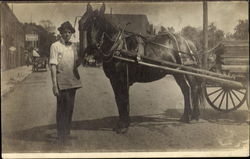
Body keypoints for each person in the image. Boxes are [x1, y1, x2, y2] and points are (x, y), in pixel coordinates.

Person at [49, 21, 82, 144]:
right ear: (61, 33)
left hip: (72, 81)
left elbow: (76, 64)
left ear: (71, 33)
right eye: (64, 32)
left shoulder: (73, 47)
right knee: (62, 109)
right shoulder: (55, 46)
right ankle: (61, 135)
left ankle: (66, 133)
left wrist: (83, 57)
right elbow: (53, 66)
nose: (67, 34)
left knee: (70, 109)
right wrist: (54, 85)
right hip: (61, 83)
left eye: (69, 32)